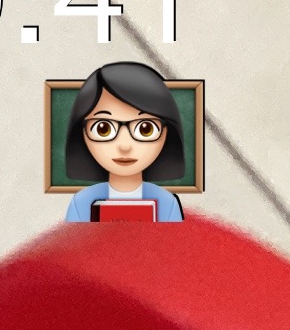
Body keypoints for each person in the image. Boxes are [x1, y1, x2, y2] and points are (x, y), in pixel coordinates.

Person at [61, 61, 192, 222]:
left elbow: (174, 239)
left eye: (145, 129)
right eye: (103, 128)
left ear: (165, 133)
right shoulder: (81, 202)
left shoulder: (167, 203)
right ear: (83, 133)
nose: (125, 146)